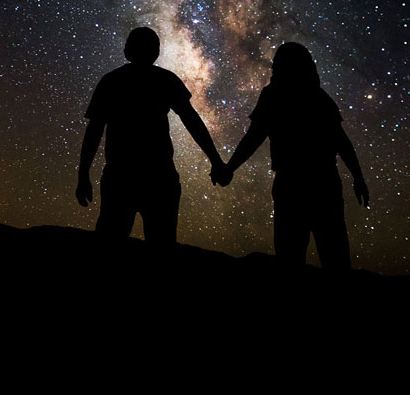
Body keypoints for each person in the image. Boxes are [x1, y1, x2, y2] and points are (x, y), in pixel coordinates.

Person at [212, 42, 369, 269]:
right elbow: (341, 141)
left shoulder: (274, 95)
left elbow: (254, 138)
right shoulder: (319, 97)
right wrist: (358, 178)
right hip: (323, 183)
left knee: (292, 258)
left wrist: (229, 168)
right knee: (333, 256)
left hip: (292, 184)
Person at [76, 26, 224, 247]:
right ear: (156, 52)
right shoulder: (166, 80)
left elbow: (94, 132)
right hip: (158, 178)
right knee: (161, 246)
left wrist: (83, 175)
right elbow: (192, 121)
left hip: (121, 177)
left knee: (109, 244)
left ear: (127, 51)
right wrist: (216, 161)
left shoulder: (111, 81)